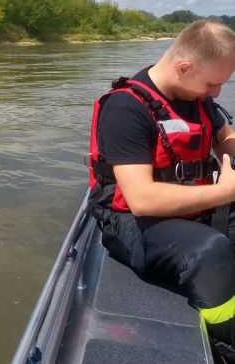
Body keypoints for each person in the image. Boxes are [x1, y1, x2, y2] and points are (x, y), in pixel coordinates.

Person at [87, 20, 235, 362]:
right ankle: (226, 339)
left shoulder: (199, 98)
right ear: (184, 68)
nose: (217, 93)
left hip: (187, 207)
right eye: (213, 84)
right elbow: (142, 200)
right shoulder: (126, 109)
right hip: (129, 220)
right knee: (209, 251)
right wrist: (225, 193)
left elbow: (224, 138)